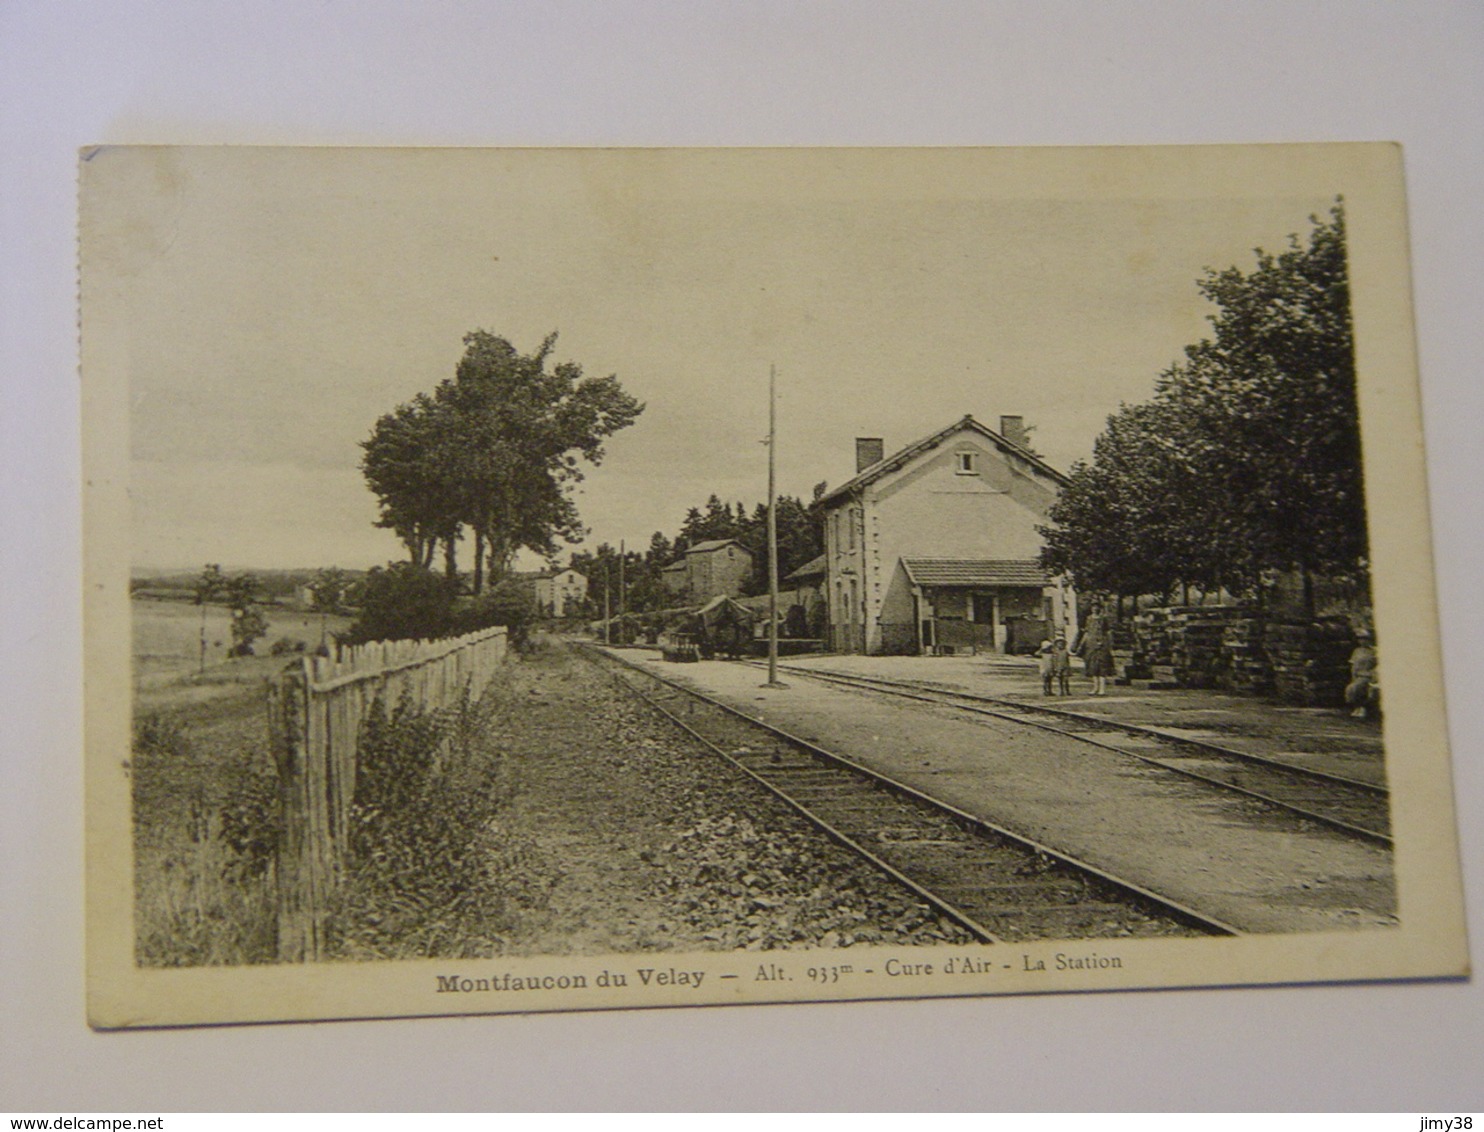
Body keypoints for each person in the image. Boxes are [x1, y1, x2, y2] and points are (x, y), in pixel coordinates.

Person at [1073, 603, 1115, 696]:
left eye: (1097, 607)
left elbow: (1108, 632)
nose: (1095, 609)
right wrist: (1081, 645)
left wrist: (1108, 644)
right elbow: (1086, 633)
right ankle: (1095, 688)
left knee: (1102, 666)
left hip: (1102, 645)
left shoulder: (1103, 619)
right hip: (1090, 645)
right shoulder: (1089, 619)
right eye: (1093, 607)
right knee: (1092, 667)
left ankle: (1102, 689)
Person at [1345, 628, 1380, 721]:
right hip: (1358, 675)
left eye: (1364, 639)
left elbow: (1378, 664)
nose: (1362, 641)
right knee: (1351, 689)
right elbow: (1353, 665)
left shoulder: (1374, 651)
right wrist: (1353, 675)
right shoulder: (1357, 651)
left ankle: (1363, 708)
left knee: (1359, 688)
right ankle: (1357, 708)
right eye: (1360, 639)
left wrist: (1374, 674)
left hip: (1368, 675)